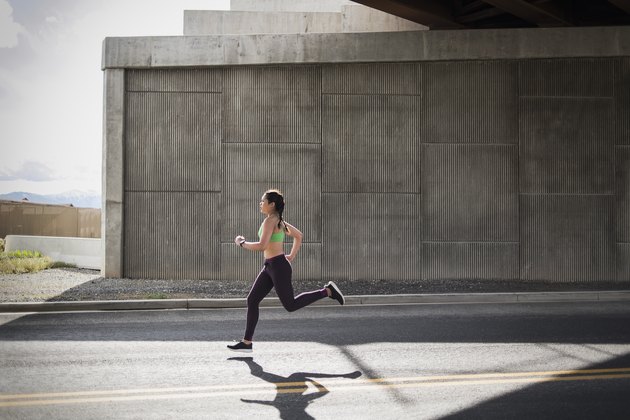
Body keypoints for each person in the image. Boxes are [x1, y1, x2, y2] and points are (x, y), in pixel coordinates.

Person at [228, 189, 344, 353]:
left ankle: (327, 291)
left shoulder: (272, 221)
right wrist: (291, 256)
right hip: (271, 266)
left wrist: (242, 243)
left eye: (263, 201)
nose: (260, 204)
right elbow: (299, 236)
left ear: (272, 204)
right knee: (252, 300)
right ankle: (247, 342)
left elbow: (262, 246)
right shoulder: (278, 221)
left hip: (278, 267)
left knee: (290, 305)